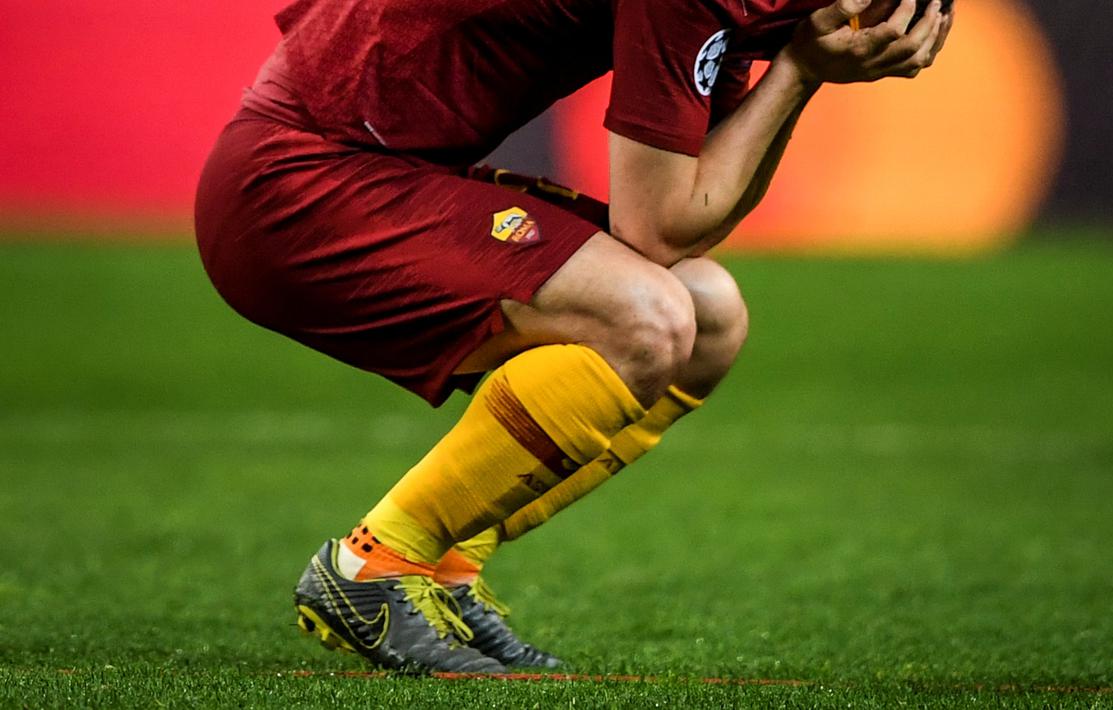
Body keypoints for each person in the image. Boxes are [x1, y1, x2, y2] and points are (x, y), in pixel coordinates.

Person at [194, 0, 953, 674]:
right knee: (644, 316)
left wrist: (798, 64)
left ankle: (447, 562)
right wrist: (800, 72)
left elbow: (698, 210)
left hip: (369, 170)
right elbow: (657, 226)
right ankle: (374, 566)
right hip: (298, 183)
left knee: (706, 312)